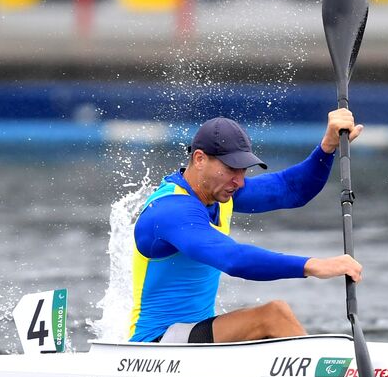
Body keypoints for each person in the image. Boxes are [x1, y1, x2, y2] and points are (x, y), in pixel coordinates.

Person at [128, 112, 363, 343]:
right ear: (199, 159)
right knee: (274, 316)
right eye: (231, 169)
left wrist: (327, 147)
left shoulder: (220, 191)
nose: (239, 181)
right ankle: (329, 374)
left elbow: (292, 189)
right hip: (154, 346)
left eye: (243, 170)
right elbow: (233, 259)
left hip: (192, 336)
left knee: (274, 318)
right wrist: (314, 265)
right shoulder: (171, 210)